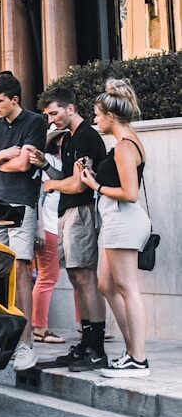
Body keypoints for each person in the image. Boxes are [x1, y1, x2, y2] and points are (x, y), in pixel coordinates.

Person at [30, 85, 108, 370]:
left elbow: (77, 183)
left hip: (82, 212)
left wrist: (50, 184)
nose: (52, 120)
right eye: (48, 115)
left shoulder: (86, 136)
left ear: (70, 108)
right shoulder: (71, 139)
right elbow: (65, 177)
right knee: (77, 279)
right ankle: (86, 344)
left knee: (86, 279)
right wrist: (44, 167)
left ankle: (96, 349)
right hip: (68, 212)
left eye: (55, 113)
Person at [78, 79, 152, 377]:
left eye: (97, 114)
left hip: (124, 219)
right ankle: (131, 351)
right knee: (106, 285)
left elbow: (130, 193)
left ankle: (138, 358)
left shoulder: (124, 147)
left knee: (127, 288)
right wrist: (96, 175)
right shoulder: (125, 143)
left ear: (109, 116)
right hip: (115, 219)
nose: (95, 120)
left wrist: (94, 184)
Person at [0, 72, 47, 371]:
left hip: (20, 204)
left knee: (19, 269)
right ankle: (5, 340)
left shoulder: (34, 122)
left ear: (15, 99)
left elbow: (22, 165)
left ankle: (25, 345)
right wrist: (5, 153)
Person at [31, 133, 63, 346]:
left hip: (58, 224)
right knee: (47, 276)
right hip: (49, 225)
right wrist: (39, 226)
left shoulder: (59, 162)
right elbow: (37, 195)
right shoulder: (48, 161)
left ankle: (82, 324)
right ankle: (40, 328)